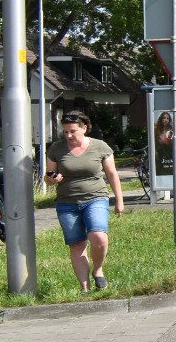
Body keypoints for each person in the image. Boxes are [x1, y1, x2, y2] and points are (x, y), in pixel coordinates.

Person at [45, 112, 126, 294]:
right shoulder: (57, 149)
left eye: (73, 131)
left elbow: (112, 174)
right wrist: (53, 179)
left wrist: (119, 201)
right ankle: (85, 288)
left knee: (99, 236)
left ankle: (98, 270)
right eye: (65, 132)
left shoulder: (100, 147)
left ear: (84, 128)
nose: (68, 136)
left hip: (95, 198)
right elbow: (48, 176)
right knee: (77, 245)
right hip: (67, 203)